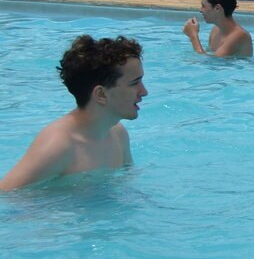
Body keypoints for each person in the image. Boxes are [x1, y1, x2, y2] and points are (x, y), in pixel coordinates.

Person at [2, 36, 147, 192]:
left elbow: (126, 184)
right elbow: (5, 195)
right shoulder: (58, 146)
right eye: (134, 83)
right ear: (101, 94)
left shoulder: (118, 134)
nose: (144, 92)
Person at [184, 0, 253, 58]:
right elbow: (208, 56)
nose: (200, 10)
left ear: (217, 8)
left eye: (203, 6)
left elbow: (207, 61)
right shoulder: (215, 30)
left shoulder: (239, 35)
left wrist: (193, 36)